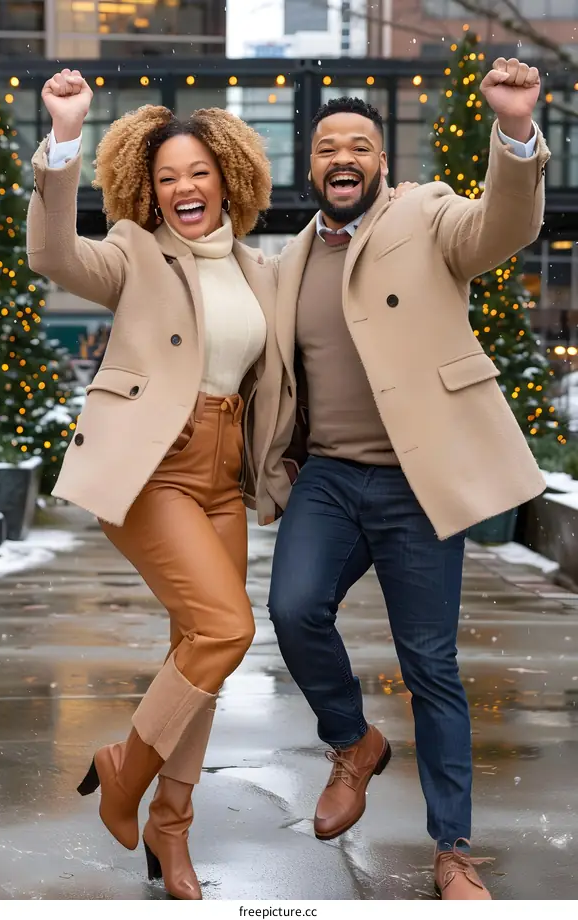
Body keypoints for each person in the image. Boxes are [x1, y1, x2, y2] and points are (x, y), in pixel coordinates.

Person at [254, 58, 549, 900]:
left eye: (359, 145)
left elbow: (503, 226)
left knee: (430, 667)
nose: (342, 158)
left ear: (382, 162)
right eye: (326, 148)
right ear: (311, 169)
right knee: (292, 608)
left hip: (418, 483)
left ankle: (452, 850)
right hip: (329, 478)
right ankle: (353, 743)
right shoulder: (289, 259)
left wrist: (515, 130)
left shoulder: (428, 214)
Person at [27, 69, 281, 900]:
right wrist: (65, 138)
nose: (183, 188)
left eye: (198, 172)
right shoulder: (134, 253)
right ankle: (126, 769)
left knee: (196, 656)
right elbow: (53, 254)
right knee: (227, 629)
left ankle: (171, 828)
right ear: (149, 188)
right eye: (167, 177)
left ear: (228, 179)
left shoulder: (259, 269)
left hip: (223, 477)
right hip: (153, 469)